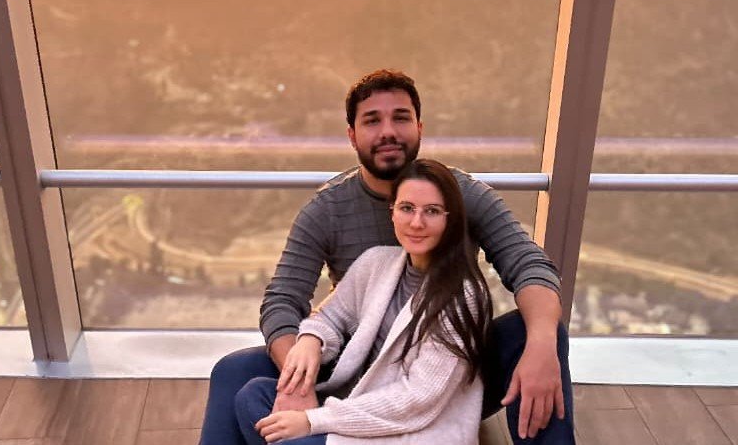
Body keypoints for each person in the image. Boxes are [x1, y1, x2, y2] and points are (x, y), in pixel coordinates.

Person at [201, 69, 574, 444]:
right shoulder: (330, 211)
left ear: (419, 127)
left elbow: (529, 265)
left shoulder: (462, 195)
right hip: (358, 366)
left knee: (540, 332)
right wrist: (298, 377)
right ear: (352, 135)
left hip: (445, 377)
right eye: (372, 121)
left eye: (400, 118)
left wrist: (541, 348)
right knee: (235, 373)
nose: (388, 132)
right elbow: (284, 300)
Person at [234, 159, 493, 444]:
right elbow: (330, 316)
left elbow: (417, 399)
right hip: (353, 408)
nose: (416, 222)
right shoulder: (376, 262)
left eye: (431, 211)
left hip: (406, 432)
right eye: (407, 208)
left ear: (450, 219)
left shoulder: (463, 296)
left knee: (274, 425)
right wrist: (310, 340)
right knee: (254, 395)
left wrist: (312, 421)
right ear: (392, 212)